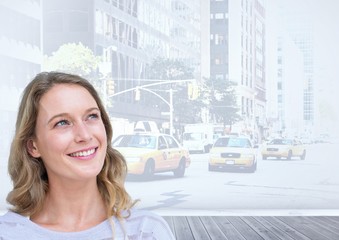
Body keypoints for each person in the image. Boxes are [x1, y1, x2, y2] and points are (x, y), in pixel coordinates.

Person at [0, 72, 175, 240]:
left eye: (91, 116)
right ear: (33, 146)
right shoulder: (6, 234)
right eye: (62, 123)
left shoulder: (146, 232)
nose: (84, 135)